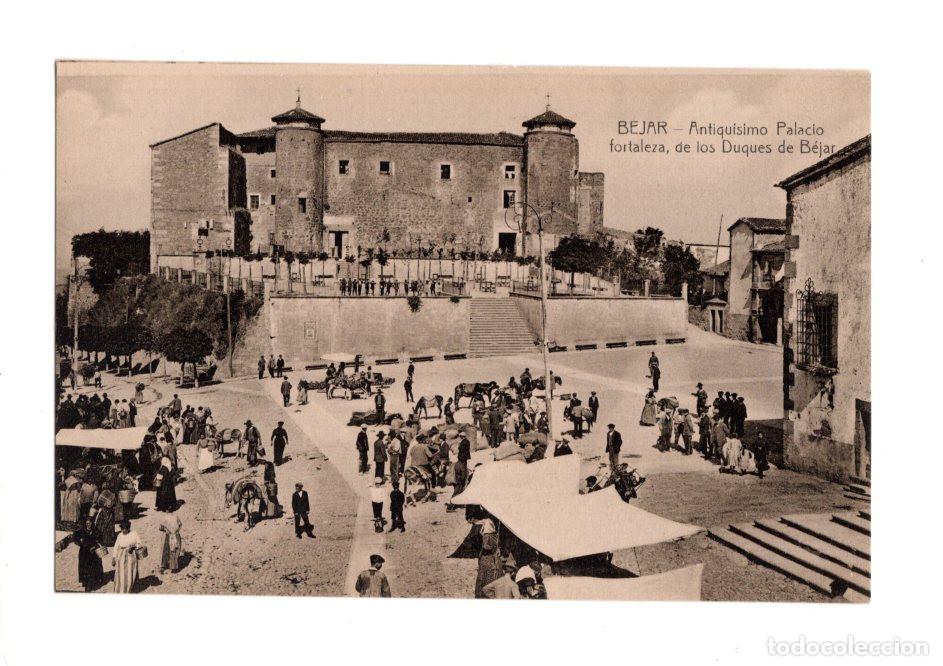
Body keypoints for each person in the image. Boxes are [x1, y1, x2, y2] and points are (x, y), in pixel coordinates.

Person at [112, 520, 145, 593]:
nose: (123, 530)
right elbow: (116, 546)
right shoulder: (120, 535)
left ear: (128, 528)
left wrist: (133, 546)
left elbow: (140, 544)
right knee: (121, 573)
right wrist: (114, 557)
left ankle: (130, 588)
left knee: (131, 571)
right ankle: (120, 589)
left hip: (131, 555)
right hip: (121, 555)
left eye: (125, 529)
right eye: (122, 528)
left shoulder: (134, 533)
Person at [75, 517, 103, 592]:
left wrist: (95, 546)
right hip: (84, 553)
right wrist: (80, 542)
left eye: (90, 523)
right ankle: (87, 584)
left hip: (93, 553)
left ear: (92, 523)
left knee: (93, 567)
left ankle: (94, 582)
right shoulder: (81, 531)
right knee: (85, 568)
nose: (88, 525)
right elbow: (75, 538)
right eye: (87, 523)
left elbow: (100, 539)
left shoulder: (96, 530)